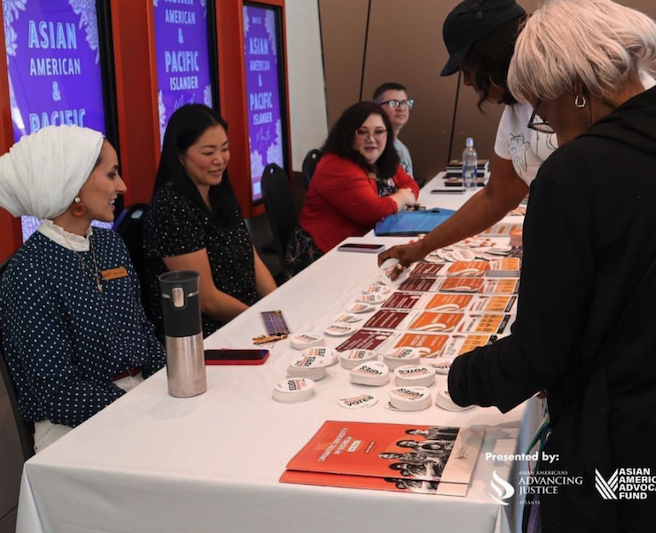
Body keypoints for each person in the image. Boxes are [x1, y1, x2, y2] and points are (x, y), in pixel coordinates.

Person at [447, 0, 656, 532]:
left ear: (577, 88)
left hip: (621, 462)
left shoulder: (575, 174)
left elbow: (540, 352)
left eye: (542, 108)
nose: (548, 127)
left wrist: (464, 377)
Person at [378, 0, 656, 272]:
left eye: (466, 68)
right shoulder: (516, 110)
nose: (466, 81)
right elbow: (496, 196)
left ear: (490, 60)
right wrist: (423, 246)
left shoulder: (605, 92)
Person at [0, 125, 165, 452]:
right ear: (74, 184)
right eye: (112, 174)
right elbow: (56, 391)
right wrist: (139, 412)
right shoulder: (26, 273)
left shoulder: (110, 244)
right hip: (74, 432)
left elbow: (144, 333)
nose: (122, 186)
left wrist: (170, 386)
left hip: (142, 402)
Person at [143, 104, 276, 339]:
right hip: (208, 331)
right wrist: (263, 323)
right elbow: (206, 300)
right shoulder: (170, 208)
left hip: (246, 316)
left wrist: (276, 309)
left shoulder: (219, 192)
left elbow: (252, 259)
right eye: (208, 152)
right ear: (180, 156)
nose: (220, 160)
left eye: (224, 149)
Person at [286, 102, 419, 276]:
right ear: (348, 134)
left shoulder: (381, 156)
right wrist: (402, 196)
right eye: (362, 132)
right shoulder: (337, 165)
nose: (371, 139)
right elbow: (374, 212)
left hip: (362, 245)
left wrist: (400, 196)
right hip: (324, 257)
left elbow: (412, 185)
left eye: (379, 132)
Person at [373, 82, 414, 177]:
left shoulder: (403, 150)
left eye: (404, 103)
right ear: (377, 108)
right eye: (393, 103)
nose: (401, 108)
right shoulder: (372, 147)